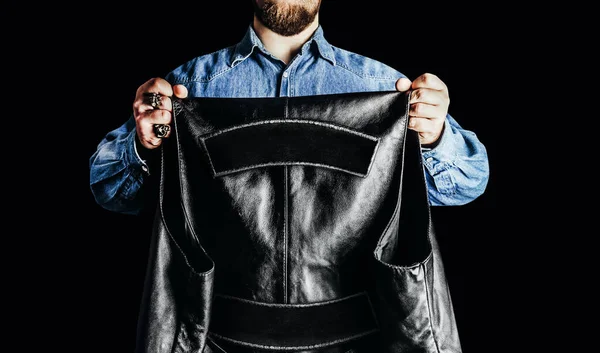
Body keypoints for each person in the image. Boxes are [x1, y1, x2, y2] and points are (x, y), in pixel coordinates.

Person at [89, 0, 489, 215]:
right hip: (217, 336)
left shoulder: (385, 88)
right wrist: (144, 144)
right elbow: (110, 191)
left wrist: (435, 137)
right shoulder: (184, 91)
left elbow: (467, 185)